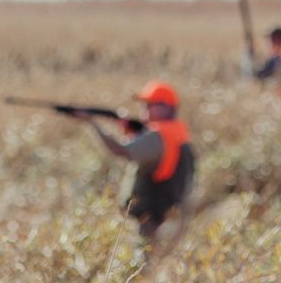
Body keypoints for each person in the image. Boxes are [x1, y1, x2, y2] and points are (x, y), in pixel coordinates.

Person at [74, 81, 196, 241]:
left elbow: (120, 150)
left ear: (167, 108)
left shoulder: (157, 136)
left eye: (149, 104)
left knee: (143, 263)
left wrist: (91, 123)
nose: (144, 109)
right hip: (168, 219)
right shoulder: (177, 132)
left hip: (151, 223)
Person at [248, 26, 281, 97]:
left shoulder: (280, 58)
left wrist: (250, 60)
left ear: (276, 39)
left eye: (270, 39)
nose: (268, 43)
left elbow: (263, 74)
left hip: (280, 96)